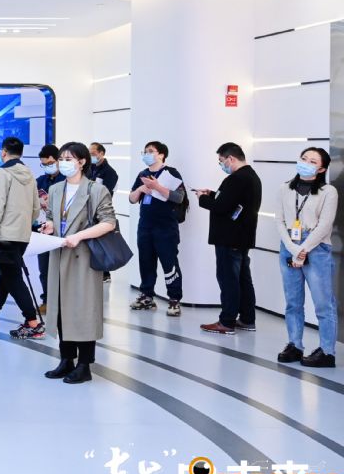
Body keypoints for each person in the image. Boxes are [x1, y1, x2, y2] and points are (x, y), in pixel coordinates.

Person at [38, 142, 117, 384]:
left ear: (82, 162)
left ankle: (84, 365)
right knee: (61, 308)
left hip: (84, 257)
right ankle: (66, 359)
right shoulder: (56, 189)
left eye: (68, 159)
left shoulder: (96, 190)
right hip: (59, 253)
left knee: (83, 310)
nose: (63, 163)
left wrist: (79, 236)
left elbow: (109, 222)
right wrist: (49, 226)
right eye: (61, 159)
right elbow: (52, 217)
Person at [276, 147, 338, 367]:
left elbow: (325, 225)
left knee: (324, 304)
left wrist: (303, 249)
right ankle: (295, 345)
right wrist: (293, 249)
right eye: (304, 158)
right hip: (289, 245)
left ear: (321, 169)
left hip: (316, 248)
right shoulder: (285, 188)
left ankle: (327, 352)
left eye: (312, 161)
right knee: (293, 302)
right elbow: (280, 221)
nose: (306, 163)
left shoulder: (328, 191)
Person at [193, 143, 263, 335]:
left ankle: (227, 322)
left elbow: (221, 207)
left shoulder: (236, 179)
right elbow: (231, 201)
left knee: (228, 280)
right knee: (242, 279)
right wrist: (212, 194)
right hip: (242, 237)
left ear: (230, 158)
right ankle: (247, 319)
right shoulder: (251, 176)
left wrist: (202, 198)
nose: (221, 165)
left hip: (229, 237)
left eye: (221, 161)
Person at [0, 137, 45, 339]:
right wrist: (22, 225)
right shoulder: (29, 173)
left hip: (4, 235)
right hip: (22, 235)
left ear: (3, 152)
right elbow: (36, 208)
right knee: (6, 274)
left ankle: (33, 322)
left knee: (13, 278)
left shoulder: (2, 173)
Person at [127, 141, 187, 316]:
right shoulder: (143, 174)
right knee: (146, 261)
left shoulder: (171, 173)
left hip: (166, 227)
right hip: (145, 225)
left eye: (150, 151)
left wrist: (157, 187)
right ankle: (147, 296)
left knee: (169, 262)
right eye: (145, 151)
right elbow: (131, 199)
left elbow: (179, 198)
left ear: (161, 155)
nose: (146, 154)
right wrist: (141, 188)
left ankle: (174, 299)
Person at [35, 144, 64, 313]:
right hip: (44, 229)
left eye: (50, 163)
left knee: (62, 268)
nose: (47, 167)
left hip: (63, 230)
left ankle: (63, 301)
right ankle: (47, 299)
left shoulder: (67, 180)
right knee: (44, 268)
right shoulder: (40, 181)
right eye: (44, 164)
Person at [89, 142, 120, 283]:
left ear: (101, 153)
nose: (91, 156)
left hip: (101, 211)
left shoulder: (110, 172)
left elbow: (106, 194)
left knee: (102, 242)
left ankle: (105, 273)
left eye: (93, 153)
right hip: (88, 209)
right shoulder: (89, 168)